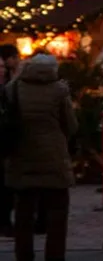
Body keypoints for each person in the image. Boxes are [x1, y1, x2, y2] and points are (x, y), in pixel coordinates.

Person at [4, 54, 76, 261]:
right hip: (53, 157)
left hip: (21, 155)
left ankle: (23, 255)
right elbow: (71, 126)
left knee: (23, 215)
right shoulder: (59, 91)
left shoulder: (13, 89)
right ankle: (54, 256)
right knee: (57, 214)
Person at [0, 43, 20, 238]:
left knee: (6, 186)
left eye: (2, 68)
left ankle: (5, 221)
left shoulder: (9, 87)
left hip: (5, 143)